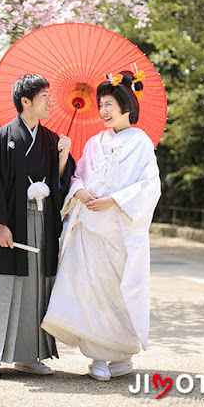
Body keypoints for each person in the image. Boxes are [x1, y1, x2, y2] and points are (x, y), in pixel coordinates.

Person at [41, 70, 161, 381]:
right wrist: (78, 189)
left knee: (117, 292)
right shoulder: (95, 142)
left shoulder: (141, 143)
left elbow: (150, 186)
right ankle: (96, 356)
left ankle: (120, 354)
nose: (104, 111)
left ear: (126, 107)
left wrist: (115, 200)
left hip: (119, 230)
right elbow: (79, 175)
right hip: (89, 229)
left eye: (109, 105)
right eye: (101, 105)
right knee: (88, 290)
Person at [0, 74, 75, 380]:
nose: (50, 102)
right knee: (2, 288)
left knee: (36, 288)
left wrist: (64, 156)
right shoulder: (2, 138)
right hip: (11, 224)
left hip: (41, 222)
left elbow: (59, 183)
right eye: (45, 97)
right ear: (25, 101)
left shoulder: (52, 140)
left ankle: (29, 356)